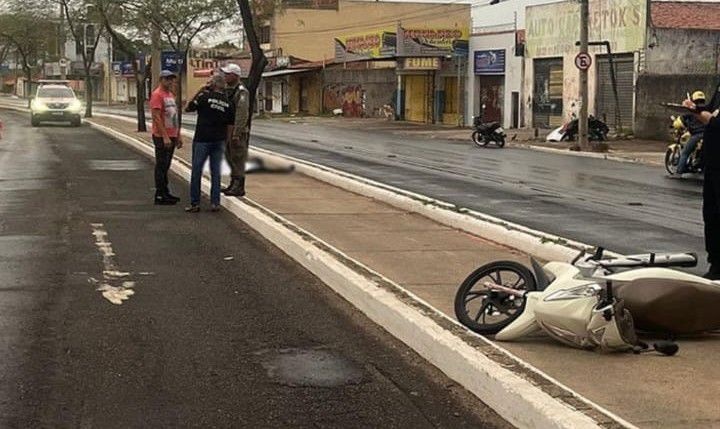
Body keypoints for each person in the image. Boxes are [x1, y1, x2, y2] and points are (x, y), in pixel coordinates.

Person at [184, 74, 235, 212]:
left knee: (196, 171)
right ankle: (215, 203)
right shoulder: (228, 103)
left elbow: (187, 108)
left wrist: (199, 90)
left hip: (202, 139)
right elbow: (230, 125)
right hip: (219, 141)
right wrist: (227, 141)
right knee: (216, 172)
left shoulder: (204, 98)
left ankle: (195, 203)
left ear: (212, 84)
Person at [683, 94, 720, 279]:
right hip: (712, 162)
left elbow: (714, 120)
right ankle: (715, 265)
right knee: (711, 215)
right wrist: (695, 110)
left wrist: (703, 115)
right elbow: (710, 112)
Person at [150, 70, 183, 205]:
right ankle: (160, 194)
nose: (170, 82)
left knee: (166, 165)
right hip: (161, 136)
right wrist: (165, 137)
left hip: (172, 134)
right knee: (161, 165)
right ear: (161, 80)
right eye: (167, 79)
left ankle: (165, 192)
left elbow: (174, 116)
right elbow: (156, 117)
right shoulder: (157, 95)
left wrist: (178, 135)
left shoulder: (170, 95)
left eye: (171, 79)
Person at [220, 63, 251, 197]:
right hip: (228, 129)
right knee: (229, 157)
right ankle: (233, 183)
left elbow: (242, 113)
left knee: (238, 157)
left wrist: (237, 132)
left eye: (228, 74)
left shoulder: (241, 91)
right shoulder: (228, 90)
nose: (225, 76)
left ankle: (239, 186)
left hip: (237, 132)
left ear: (235, 75)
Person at [676, 90, 707, 174]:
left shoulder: (691, 110)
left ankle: (679, 171)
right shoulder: (707, 109)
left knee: (685, 153)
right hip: (708, 134)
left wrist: (676, 124)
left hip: (697, 135)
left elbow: (679, 122)